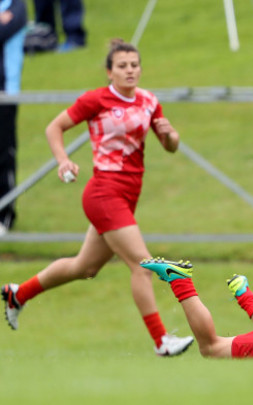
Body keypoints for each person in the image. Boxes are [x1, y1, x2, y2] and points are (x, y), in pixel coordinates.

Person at [1, 39, 194, 357]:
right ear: (109, 72)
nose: (130, 70)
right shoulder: (97, 100)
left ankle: (18, 294)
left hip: (128, 197)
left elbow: (169, 146)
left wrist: (171, 135)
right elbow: (55, 128)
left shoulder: (149, 101)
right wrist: (63, 160)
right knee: (142, 266)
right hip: (104, 193)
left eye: (134, 65)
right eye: (122, 66)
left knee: (84, 267)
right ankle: (162, 340)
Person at [0, 0, 27, 235]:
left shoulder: (17, 5)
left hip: (6, 94)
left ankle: (4, 216)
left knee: (4, 154)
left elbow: (4, 32)